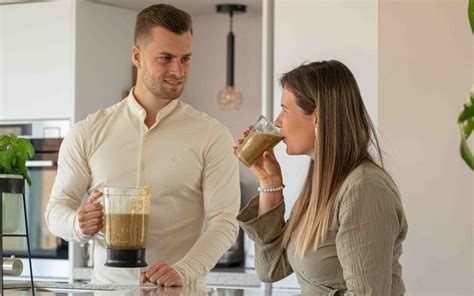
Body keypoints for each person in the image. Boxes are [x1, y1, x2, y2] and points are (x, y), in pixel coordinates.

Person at [46, 4, 240, 286]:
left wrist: (184, 271)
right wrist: (77, 223)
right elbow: (55, 211)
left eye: (186, 59)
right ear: (137, 56)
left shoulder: (211, 135)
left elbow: (225, 222)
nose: (178, 70)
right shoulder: (88, 132)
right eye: (166, 58)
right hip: (109, 291)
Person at [235, 60, 408, 295]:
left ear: (317, 118)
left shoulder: (364, 188)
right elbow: (270, 269)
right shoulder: (322, 186)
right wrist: (270, 183)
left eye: (285, 109)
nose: (277, 121)